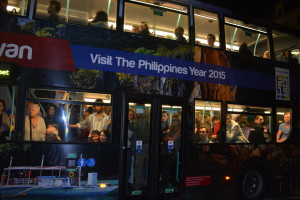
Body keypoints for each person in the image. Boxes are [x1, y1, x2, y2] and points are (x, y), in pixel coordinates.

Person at [160, 114, 181, 192]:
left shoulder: (180, 129)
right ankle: (164, 186)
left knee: (166, 170)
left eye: (176, 120)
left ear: (179, 121)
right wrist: (169, 138)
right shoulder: (171, 129)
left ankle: (164, 188)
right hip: (165, 152)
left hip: (172, 153)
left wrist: (169, 138)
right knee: (164, 170)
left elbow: (172, 139)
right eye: (173, 120)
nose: (174, 122)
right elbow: (164, 138)